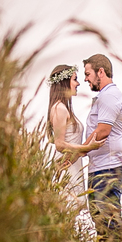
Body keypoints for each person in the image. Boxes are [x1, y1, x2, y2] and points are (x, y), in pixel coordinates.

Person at [82, 53, 122, 242]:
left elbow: (102, 131)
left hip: (109, 166)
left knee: (109, 218)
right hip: (101, 165)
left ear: (100, 72)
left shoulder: (110, 95)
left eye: (88, 74)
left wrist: (77, 152)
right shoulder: (104, 95)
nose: (86, 79)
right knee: (99, 217)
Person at [46, 64, 101, 205]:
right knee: (69, 207)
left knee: (75, 207)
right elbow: (59, 144)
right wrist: (87, 148)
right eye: (75, 79)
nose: (78, 83)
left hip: (73, 165)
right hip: (65, 167)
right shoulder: (59, 108)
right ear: (65, 82)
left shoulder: (64, 108)